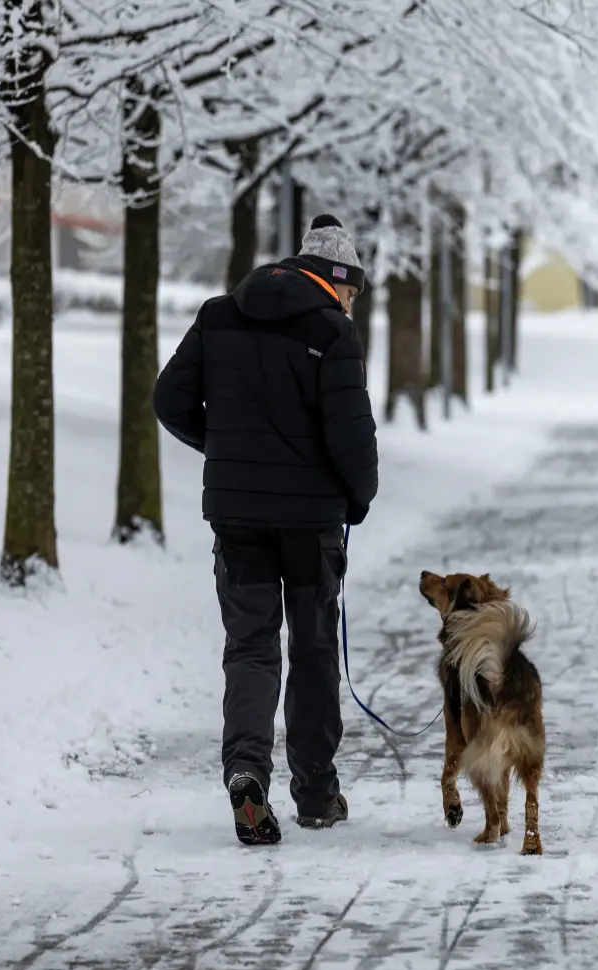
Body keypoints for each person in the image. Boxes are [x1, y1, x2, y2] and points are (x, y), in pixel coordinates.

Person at [153, 214, 378, 845]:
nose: (352, 303)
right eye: (353, 291)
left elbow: (169, 401)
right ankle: (314, 793)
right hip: (311, 524)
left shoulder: (220, 315)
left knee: (250, 648)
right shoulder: (332, 331)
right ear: (336, 280)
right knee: (310, 652)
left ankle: (246, 771)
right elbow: (352, 437)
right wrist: (356, 498)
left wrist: (227, 455)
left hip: (239, 518)